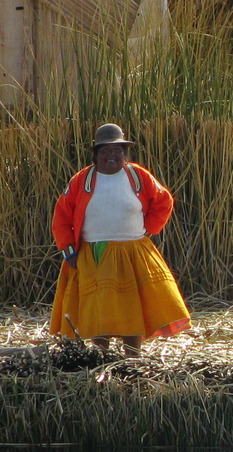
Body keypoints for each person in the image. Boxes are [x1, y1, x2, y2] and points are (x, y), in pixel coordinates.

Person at [50, 123, 190, 355]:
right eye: (105, 151)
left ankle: (132, 357)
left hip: (134, 251)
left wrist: (149, 229)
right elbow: (61, 216)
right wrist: (69, 250)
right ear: (96, 155)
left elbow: (164, 200)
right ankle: (101, 355)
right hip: (95, 253)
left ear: (125, 154)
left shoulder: (137, 176)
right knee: (99, 308)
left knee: (132, 305)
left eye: (117, 151)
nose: (112, 156)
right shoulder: (82, 180)